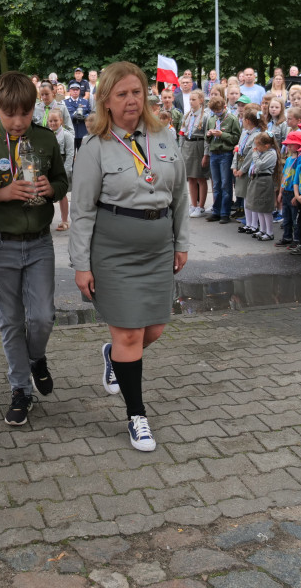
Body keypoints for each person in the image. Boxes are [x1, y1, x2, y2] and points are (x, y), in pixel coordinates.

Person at [69, 61, 189, 452]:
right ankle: (137, 416)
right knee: (130, 333)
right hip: (113, 251)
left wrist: (181, 242)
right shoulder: (94, 146)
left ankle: (113, 356)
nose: (131, 100)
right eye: (121, 94)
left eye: (136, 92)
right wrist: (81, 265)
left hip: (157, 249)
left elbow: (181, 197)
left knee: (152, 330)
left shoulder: (165, 137)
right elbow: (82, 210)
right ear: (105, 100)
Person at [0, 71, 69, 426]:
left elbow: (61, 179)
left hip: (39, 242)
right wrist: (1, 193)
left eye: (25, 113)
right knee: (11, 320)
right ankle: (21, 388)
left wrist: (51, 188)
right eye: (10, 114)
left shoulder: (44, 138)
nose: (19, 122)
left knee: (42, 316)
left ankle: (36, 357)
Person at [203, 96, 241, 223]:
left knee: (226, 184)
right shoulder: (212, 118)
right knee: (216, 184)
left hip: (226, 153)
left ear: (224, 107)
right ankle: (216, 211)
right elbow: (206, 139)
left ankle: (225, 212)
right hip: (214, 153)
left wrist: (222, 135)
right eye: (214, 111)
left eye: (218, 110)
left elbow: (236, 138)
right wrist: (208, 135)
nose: (216, 112)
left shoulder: (231, 119)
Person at [235, 105, 265, 233]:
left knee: (251, 197)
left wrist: (243, 169)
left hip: (249, 169)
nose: (241, 120)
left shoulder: (257, 135)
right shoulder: (244, 133)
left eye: (242, 118)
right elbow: (238, 150)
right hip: (240, 166)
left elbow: (250, 155)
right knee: (245, 196)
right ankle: (248, 223)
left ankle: (254, 224)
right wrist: (234, 166)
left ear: (248, 121)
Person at [245, 132, 281, 240]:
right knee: (259, 207)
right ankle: (262, 230)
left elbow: (260, 165)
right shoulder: (262, 152)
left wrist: (254, 154)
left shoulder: (271, 153)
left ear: (267, 145)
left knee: (265, 208)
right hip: (258, 180)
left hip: (265, 180)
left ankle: (270, 232)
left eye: (258, 145)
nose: (256, 148)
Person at [180, 90, 210, 216]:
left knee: (200, 177)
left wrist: (206, 154)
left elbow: (207, 137)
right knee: (191, 178)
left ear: (201, 100)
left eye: (194, 99)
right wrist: (180, 149)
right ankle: (193, 204)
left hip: (199, 145)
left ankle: (201, 206)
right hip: (188, 145)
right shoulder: (187, 115)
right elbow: (182, 133)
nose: (191, 102)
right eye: (190, 100)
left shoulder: (205, 116)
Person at [276, 131, 301, 247]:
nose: (288, 146)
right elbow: (284, 176)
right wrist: (280, 192)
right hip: (286, 192)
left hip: (295, 193)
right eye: (288, 144)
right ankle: (287, 237)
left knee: (295, 218)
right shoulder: (288, 160)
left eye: (291, 144)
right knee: (286, 217)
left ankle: (297, 239)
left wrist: (297, 195)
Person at [47, 110, 75, 230]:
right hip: (48, 167)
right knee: (47, 194)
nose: (53, 123)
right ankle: (47, 219)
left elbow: (70, 154)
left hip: (62, 167)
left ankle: (64, 220)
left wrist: (65, 172)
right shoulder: (46, 135)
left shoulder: (67, 135)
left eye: (55, 120)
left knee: (62, 194)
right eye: (51, 121)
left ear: (61, 121)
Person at [64, 82, 92, 151]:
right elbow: (62, 116)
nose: (75, 91)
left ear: (79, 91)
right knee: (71, 154)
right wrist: (72, 116)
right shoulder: (65, 102)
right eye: (73, 90)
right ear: (70, 91)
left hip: (83, 132)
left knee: (83, 154)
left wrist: (85, 117)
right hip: (70, 133)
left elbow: (91, 114)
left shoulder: (85, 102)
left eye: (77, 90)